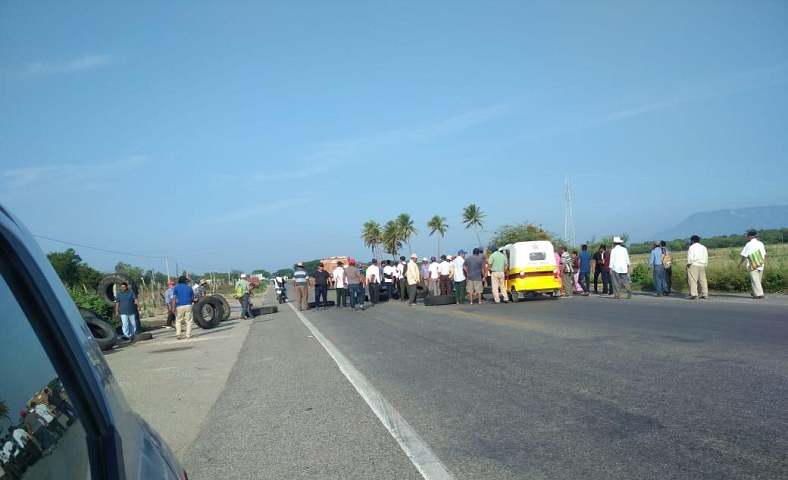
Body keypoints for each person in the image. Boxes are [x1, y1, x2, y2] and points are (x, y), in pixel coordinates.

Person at [739, 229, 767, 299]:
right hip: (761, 262)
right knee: (758, 279)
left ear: (750, 237)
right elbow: (764, 254)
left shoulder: (748, 244)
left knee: (755, 279)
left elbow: (744, 255)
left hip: (753, 262)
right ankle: (755, 293)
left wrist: (740, 263)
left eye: (747, 236)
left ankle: (759, 294)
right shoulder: (761, 243)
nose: (746, 237)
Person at [686, 235, 709, 300]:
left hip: (694, 264)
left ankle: (694, 294)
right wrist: (705, 264)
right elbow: (706, 256)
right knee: (703, 280)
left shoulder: (692, 247)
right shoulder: (703, 247)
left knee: (693, 280)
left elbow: (690, 257)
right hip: (702, 265)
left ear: (692, 240)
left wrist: (688, 264)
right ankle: (705, 294)